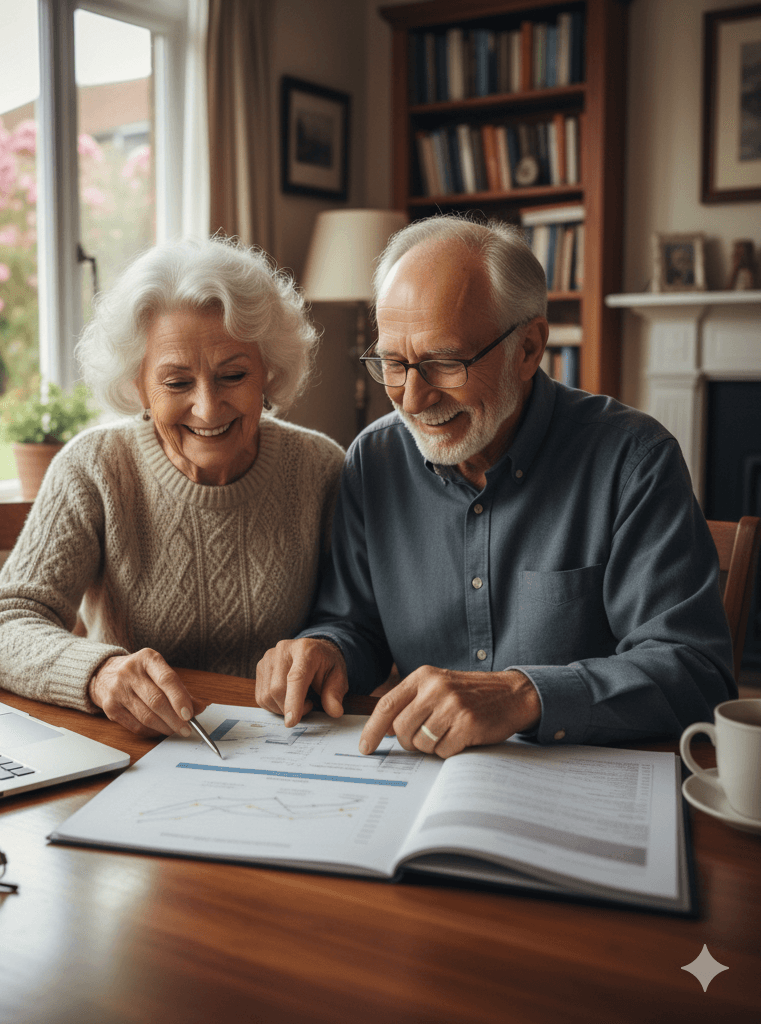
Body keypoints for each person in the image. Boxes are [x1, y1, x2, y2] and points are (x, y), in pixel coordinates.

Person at [255, 215, 736, 759]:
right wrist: (325, 650)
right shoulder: (375, 459)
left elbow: (696, 673)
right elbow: (354, 623)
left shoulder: (633, 461)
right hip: (422, 778)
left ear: (528, 348)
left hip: (582, 776)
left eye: (443, 362)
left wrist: (523, 694)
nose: (411, 399)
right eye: (393, 363)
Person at [0, 236, 344, 737]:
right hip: (133, 746)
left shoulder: (320, 468)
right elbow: (2, 625)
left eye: (233, 375)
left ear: (267, 372)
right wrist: (99, 674)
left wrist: (327, 646)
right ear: (137, 384)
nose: (208, 408)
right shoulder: (96, 468)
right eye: (176, 383)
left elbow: (358, 622)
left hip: (285, 745)